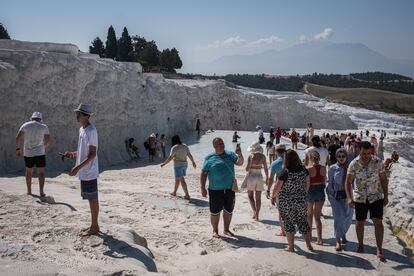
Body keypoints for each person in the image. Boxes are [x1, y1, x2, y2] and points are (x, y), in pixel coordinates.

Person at [345, 141, 388, 261]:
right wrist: (349, 197)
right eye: (364, 153)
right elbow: (348, 182)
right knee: (360, 222)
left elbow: (384, 179)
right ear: (359, 151)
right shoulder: (353, 163)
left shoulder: (378, 162)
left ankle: (379, 249)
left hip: (376, 196)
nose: (366, 155)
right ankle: (360, 245)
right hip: (360, 197)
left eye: (368, 153)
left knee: (378, 222)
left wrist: (386, 195)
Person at [64, 103, 100, 236]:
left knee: (93, 198)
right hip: (85, 170)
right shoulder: (82, 129)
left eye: (78, 114)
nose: (76, 116)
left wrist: (77, 168)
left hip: (89, 171)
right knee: (91, 198)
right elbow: (83, 151)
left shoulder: (92, 131)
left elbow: (92, 154)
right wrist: (73, 154)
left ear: (86, 116)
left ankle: (95, 227)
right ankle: (93, 225)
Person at [270, 149, 313, 252]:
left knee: (288, 222)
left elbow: (277, 187)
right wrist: (303, 194)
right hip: (301, 200)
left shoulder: (285, 171)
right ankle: (309, 245)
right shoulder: (304, 169)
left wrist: (272, 196)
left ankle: (291, 246)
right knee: (303, 222)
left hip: (286, 201)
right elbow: (308, 184)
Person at [200, 137, 244, 238]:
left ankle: (226, 229)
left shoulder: (230, 155)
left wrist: (240, 154)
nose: (222, 144)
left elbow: (240, 163)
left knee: (229, 210)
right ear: (214, 146)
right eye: (219, 143)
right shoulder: (209, 158)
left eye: (222, 142)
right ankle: (215, 230)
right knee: (215, 211)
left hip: (230, 188)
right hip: (215, 189)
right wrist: (202, 187)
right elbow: (203, 173)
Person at [15, 112, 50, 197]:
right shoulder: (44, 127)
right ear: (40, 119)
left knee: (29, 172)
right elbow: (47, 140)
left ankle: (29, 191)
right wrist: (44, 146)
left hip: (28, 152)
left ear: (32, 118)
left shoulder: (25, 125)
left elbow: (18, 138)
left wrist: (18, 149)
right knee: (41, 173)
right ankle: (41, 192)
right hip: (40, 152)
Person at [327, 148, 353, 251]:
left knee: (348, 217)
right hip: (336, 196)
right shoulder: (332, 168)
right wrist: (331, 196)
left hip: (348, 195)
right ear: (336, 157)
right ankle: (338, 241)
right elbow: (330, 183)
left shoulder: (350, 167)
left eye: (343, 156)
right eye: (339, 156)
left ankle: (343, 235)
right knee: (338, 217)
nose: (341, 158)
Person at [161, 135, 196, 200]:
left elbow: (170, 157)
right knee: (177, 179)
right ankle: (174, 192)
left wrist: (164, 163)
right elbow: (189, 155)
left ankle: (187, 194)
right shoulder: (185, 146)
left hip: (178, 166)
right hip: (185, 165)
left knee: (181, 179)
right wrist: (193, 162)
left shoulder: (174, 147)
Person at [244, 142, 268, 221]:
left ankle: (254, 211)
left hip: (251, 177)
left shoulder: (250, 156)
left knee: (250, 196)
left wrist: (250, 161)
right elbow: (265, 168)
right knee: (258, 198)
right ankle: (257, 215)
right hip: (259, 177)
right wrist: (267, 177)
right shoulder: (263, 156)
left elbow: (247, 169)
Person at [306, 151, 326, 245]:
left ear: (310, 158)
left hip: (311, 190)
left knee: (309, 215)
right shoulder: (323, 168)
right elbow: (324, 182)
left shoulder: (309, 169)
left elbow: (308, 184)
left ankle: (309, 236)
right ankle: (320, 239)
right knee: (317, 217)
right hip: (320, 190)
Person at [267, 144, 287, 236]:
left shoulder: (275, 163)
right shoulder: (291, 161)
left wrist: (268, 189)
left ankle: (283, 231)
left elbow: (271, 178)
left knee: (281, 210)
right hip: (292, 188)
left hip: (280, 188)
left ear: (277, 152)